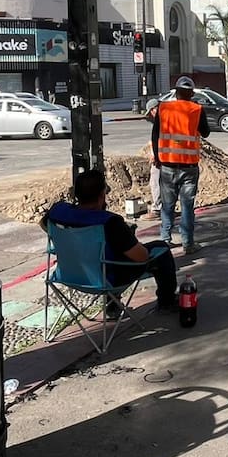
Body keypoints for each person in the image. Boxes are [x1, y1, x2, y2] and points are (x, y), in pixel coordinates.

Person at [43, 170, 178, 312]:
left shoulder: (58, 211)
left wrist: (71, 240)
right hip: (105, 279)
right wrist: (126, 239)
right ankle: (167, 302)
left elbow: (44, 225)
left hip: (68, 274)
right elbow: (142, 257)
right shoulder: (110, 222)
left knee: (107, 253)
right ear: (102, 195)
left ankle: (112, 308)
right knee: (161, 249)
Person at [153, 76, 209, 254]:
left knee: (167, 205)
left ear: (176, 92)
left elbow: (155, 135)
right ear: (191, 93)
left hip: (167, 164)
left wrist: (156, 156)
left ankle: (165, 239)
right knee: (187, 206)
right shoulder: (197, 109)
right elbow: (206, 132)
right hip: (189, 166)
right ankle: (188, 243)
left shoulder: (163, 108)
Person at [143, 97, 162, 219]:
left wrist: (155, 155)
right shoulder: (170, 118)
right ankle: (166, 208)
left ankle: (157, 210)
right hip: (172, 157)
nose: (151, 115)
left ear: (154, 109)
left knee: (155, 181)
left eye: (151, 111)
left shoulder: (160, 121)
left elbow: (157, 140)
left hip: (162, 157)